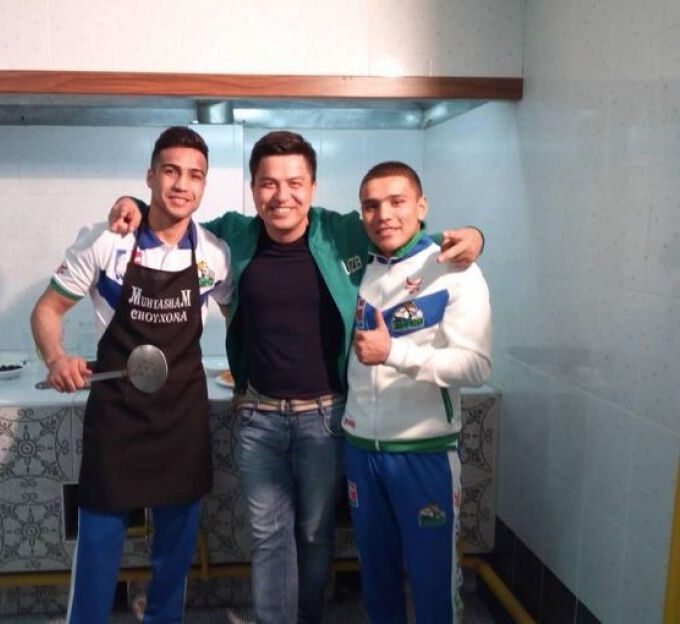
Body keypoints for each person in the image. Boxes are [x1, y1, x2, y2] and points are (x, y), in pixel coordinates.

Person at [107, 131, 484, 624]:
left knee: (314, 534)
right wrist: (135, 204)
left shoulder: (342, 231)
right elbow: (174, 223)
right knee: (267, 537)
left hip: (326, 418)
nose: (281, 195)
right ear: (253, 188)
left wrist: (475, 235)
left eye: (294, 183)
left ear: (313, 187)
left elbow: (406, 232)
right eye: (268, 183)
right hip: (259, 417)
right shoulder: (233, 236)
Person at [30, 126, 232, 623]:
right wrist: (56, 358)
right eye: (171, 171)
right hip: (117, 415)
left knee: (176, 553)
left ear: (204, 184)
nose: (182, 184)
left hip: (181, 415)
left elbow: (241, 317)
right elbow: (47, 309)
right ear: (150, 176)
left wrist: (251, 372)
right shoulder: (107, 241)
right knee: (98, 545)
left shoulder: (214, 254)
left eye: (195, 175)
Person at [343, 161, 492, 623]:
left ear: (421, 206)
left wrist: (394, 353)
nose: (384, 215)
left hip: (424, 454)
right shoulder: (355, 267)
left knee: (433, 587)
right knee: (376, 584)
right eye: (371, 205)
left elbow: (477, 366)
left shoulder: (455, 268)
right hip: (361, 451)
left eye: (397, 201)